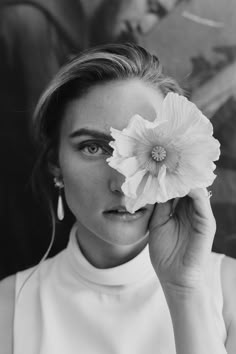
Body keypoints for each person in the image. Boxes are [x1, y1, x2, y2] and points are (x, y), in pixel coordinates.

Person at [0, 43, 235, 353]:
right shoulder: (9, 308)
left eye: (149, 149)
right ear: (55, 164)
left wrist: (184, 291)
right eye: (94, 147)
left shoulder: (230, 289)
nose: (124, 184)